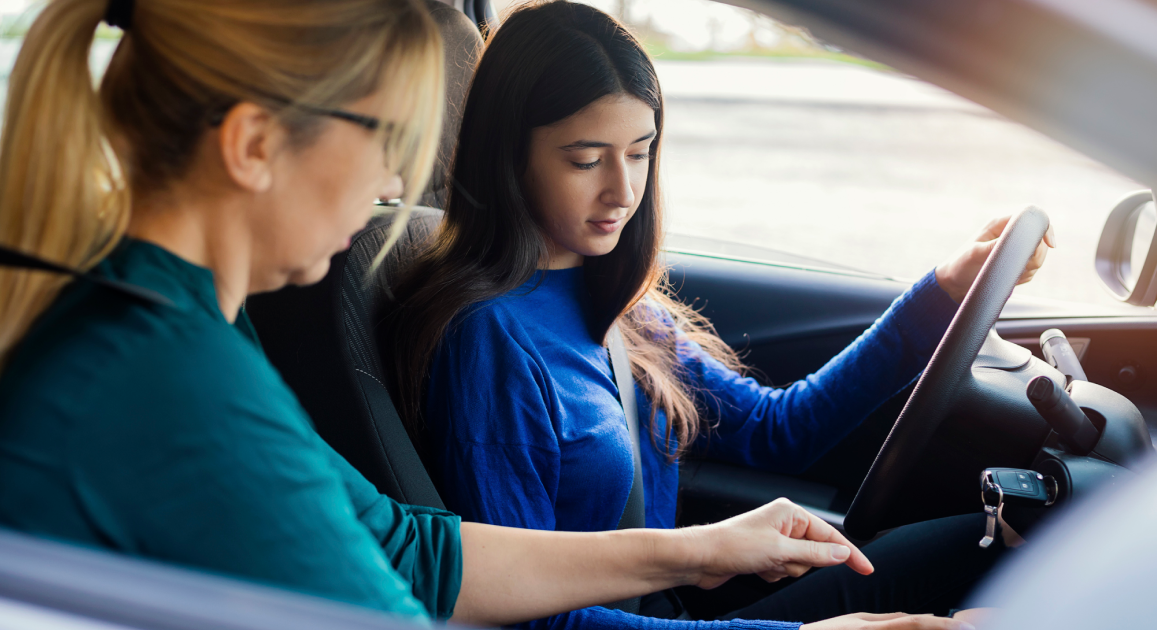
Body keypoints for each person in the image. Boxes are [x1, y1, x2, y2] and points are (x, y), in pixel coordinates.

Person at [0, 0, 891, 627]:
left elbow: (409, 551)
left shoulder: (177, 324)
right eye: (388, 139)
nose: (396, 185)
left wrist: (699, 552)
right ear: (255, 145)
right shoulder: (170, 379)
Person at [390, 2, 1055, 629]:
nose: (622, 191)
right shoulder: (489, 344)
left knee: (997, 540)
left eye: (641, 152)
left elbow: (778, 429)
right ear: (510, 156)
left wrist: (946, 289)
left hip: (675, 610)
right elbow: (527, 618)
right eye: (585, 159)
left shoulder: (617, 302)